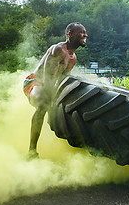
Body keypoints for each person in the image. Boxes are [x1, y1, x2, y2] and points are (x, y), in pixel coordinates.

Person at [23, 22, 88, 159]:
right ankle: (31, 151)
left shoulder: (73, 58)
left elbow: (62, 81)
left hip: (51, 85)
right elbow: (48, 79)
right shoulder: (58, 50)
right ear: (70, 34)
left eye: (85, 32)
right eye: (81, 32)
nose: (85, 35)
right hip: (36, 82)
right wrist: (54, 100)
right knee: (44, 104)